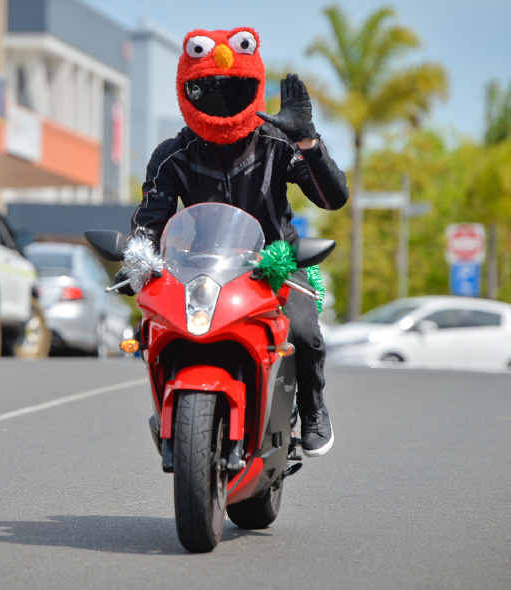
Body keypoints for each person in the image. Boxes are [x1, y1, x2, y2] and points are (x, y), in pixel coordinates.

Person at [124, 27, 348, 456]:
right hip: (198, 269)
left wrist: (308, 141)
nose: (220, 95)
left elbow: (332, 198)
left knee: (303, 331)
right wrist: (138, 259)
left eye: (231, 88)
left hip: (272, 262)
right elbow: (151, 219)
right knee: (152, 332)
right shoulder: (172, 154)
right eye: (208, 87)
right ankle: (168, 405)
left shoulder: (277, 144)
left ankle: (313, 406)